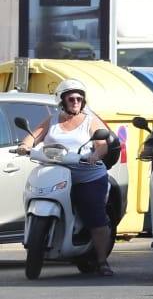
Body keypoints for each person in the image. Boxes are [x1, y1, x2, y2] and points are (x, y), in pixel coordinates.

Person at [15, 79, 115, 275]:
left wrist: (96, 155)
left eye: (79, 98)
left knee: (94, 214)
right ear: (62, 100)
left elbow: (102, 143)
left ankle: (102, 261)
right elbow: (34, 136)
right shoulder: (52, 120)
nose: (76, 101)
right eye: (71, 98)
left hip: (86, 174)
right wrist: (25, 146)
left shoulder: (90, 120)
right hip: (55, 170)